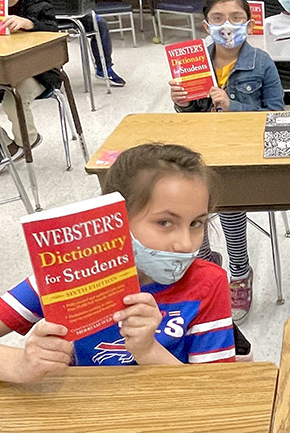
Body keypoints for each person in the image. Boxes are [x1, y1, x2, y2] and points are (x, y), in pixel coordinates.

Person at [0, 143, 237, 381]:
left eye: (196, 223)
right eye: (164, 223)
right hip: (88, 410)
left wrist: (148, 350)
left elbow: (214, 388)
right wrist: (22, 365)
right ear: (116, 219)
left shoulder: (208, 283)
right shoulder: (65, 278)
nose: (185, 244)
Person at [169, 0, 284, 322]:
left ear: (249, 22)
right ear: (206, 25)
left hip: (242, 154)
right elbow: (186, 120)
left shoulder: (261, 62)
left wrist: (235, 106)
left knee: (227, 204)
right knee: (190, 206)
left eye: (236, 18)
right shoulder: (194, 60)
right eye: (218, 19)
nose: (227, 26)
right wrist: (182, 102)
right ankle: (205, 263)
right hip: (200, 151)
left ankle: (239, 270)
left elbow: (275, 114)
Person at [0, 0, 61, 164]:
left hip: (38, 71)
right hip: (3, 69)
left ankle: (28, 141)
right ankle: (6, 146)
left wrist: (30, 23)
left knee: (12, 100)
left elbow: (55, 32)